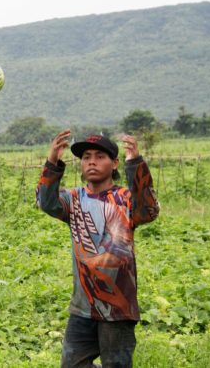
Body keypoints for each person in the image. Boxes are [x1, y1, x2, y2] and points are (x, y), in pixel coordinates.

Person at [36, 131, 160, 368]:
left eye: (100, 156)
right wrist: (52, 161)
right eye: (86, 157)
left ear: (114, 163)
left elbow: (148, 210)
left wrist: (135, 162)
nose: (91, 161)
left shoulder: (125, 199)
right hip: (82, 307)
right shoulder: (73, 199)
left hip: (118, 307)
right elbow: (47, 202)